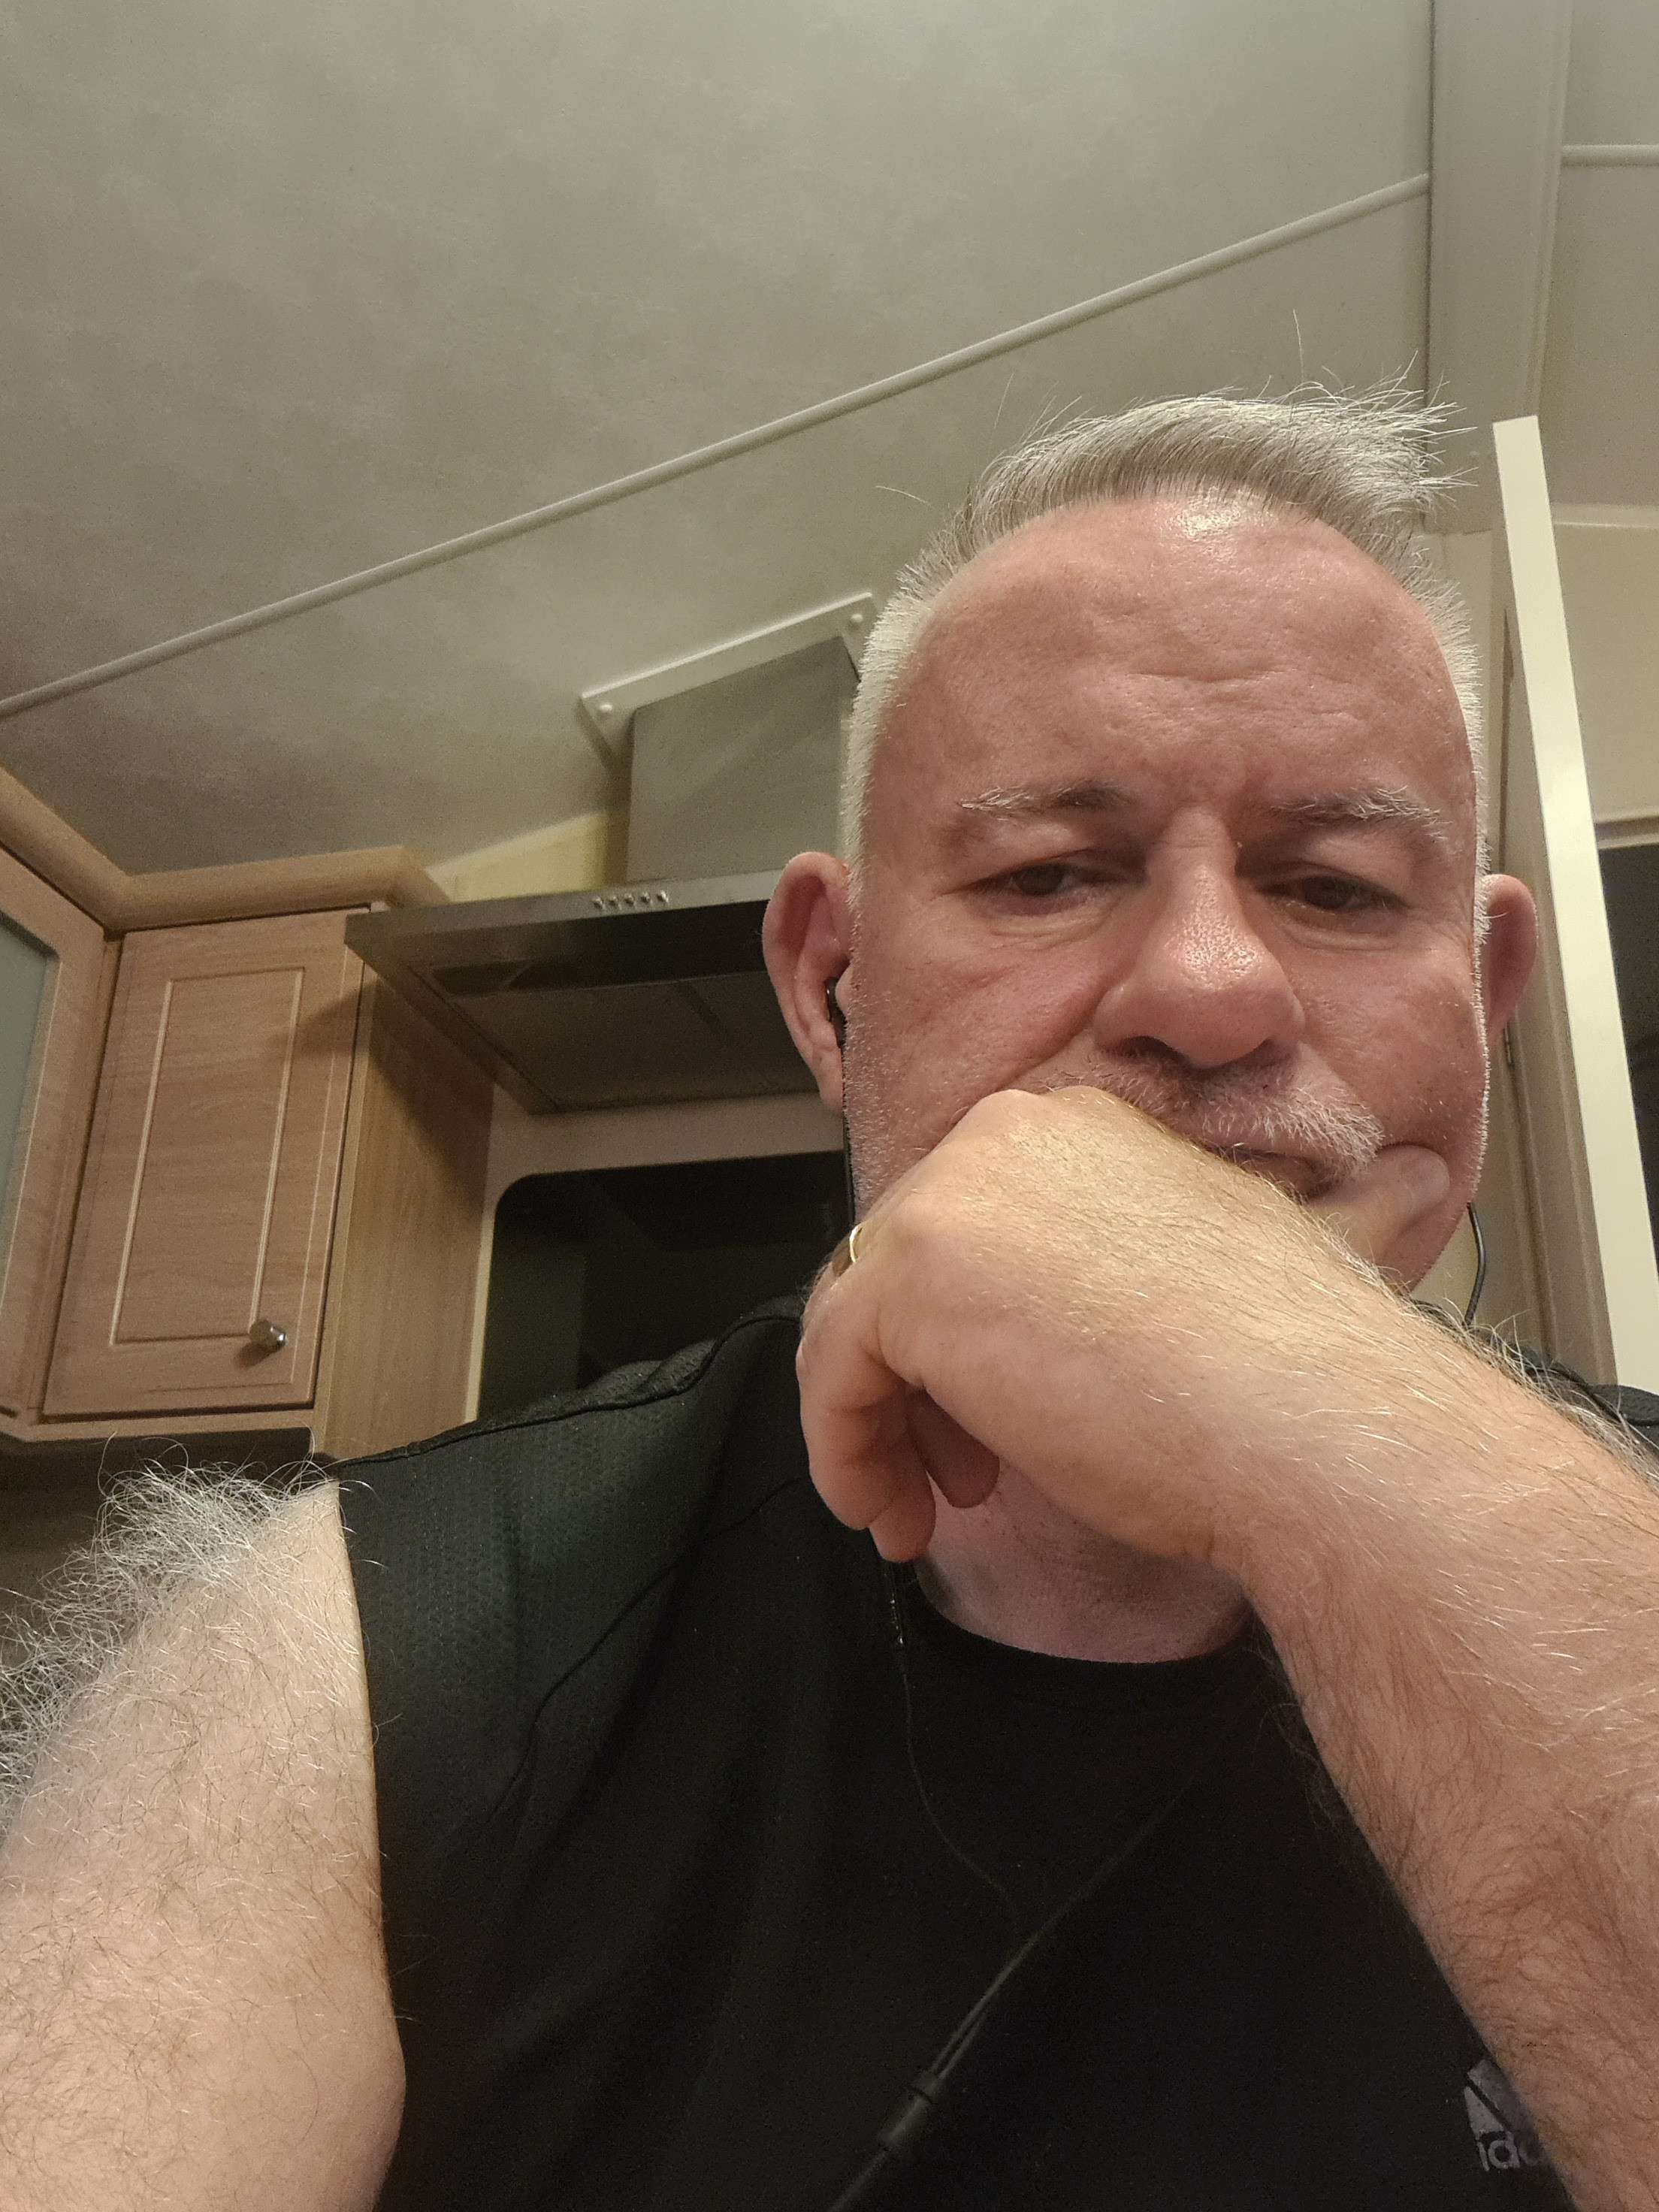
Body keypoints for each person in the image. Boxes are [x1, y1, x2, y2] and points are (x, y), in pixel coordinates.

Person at [3, 390, 1658, 2212]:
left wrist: (1314, 1409)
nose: (1207, 988)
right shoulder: (341, 1656)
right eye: (1048, 873)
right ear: (829, 984)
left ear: (1489, 993)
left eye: (1337, 886)